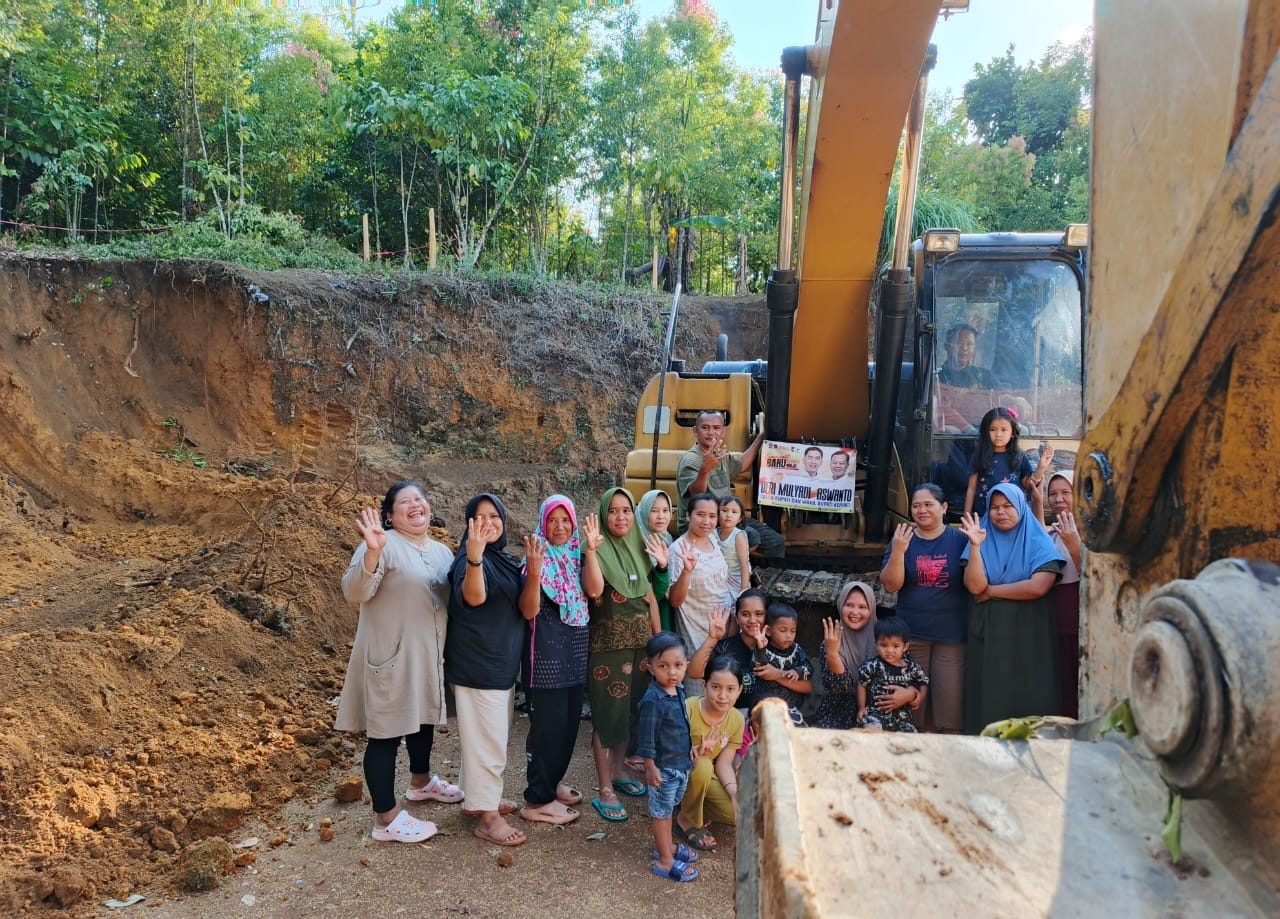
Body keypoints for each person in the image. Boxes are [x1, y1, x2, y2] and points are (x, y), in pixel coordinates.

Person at [335, 482, 459, 844]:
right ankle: (385, 819)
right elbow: (354, 592)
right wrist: (372, 552)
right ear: (389, 516)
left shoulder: (441, 551)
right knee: (386, 735)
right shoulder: (381, 544)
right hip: (389, 656)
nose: (415, 505)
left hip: (427, 655)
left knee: (422, 721)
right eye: (405, 502)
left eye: (419, 498)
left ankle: (421, 783)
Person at [517, 496, 604, 825]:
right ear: (542, 523)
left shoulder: (575, 557)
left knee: (568, 727)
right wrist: (536, 575)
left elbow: (594, 591)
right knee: (548, 729)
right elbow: (529, 611)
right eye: (552, 520)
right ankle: (536, 800)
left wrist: (592, 552)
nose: (560, 527)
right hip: (545, 659)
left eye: (565, 520)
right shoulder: (533, 559)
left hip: (573, 653)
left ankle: (551, 784)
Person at [446, 493, 527, 847]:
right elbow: (474, 597)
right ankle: (488, 818)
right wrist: (476, 558)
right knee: (489, 739)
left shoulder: (502, 559)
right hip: (479, 663)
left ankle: (476, 798)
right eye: (480, 517)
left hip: (499, 661)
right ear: (469, 524)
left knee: (486, 735)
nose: (489, 522)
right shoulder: (471, 559)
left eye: (495, 516)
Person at [959, 483, 1065, 734]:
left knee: (1029, 690)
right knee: (990, 693)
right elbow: (975, 586)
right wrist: (975, 547)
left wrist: (992, 592)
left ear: (1021, 507)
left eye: (1008, 506)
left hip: (1029, 630)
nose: (1000, 512)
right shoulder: (981, 537)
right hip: (989, 631)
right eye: (994, 507)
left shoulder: (1038, 540)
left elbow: (1039, 587)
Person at [588, 487, 662, 823]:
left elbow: (650, 598)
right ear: (604, 515)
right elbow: (594, 591)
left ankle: (619, 770)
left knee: (631, 711)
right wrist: (591, 552)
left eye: (626, 510)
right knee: (608, 714)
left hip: (641, 647)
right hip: (609, 650)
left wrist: (659, 642)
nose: (621, 517)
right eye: (614, 511)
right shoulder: (596, 549)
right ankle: (605, 787)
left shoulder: (639, 547)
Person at [879, 483, 970, 732]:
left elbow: (974, 583)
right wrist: (898, 552)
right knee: (911, 710)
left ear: (944, 507)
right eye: (916, 506)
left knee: (948, 711)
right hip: (911, 636)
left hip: (950, 636)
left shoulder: (960, 540)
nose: (922, 510)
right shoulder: (902, 538)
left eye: (928, 504)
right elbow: (890, 585)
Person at [635, 631, 699, 883]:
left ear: (686, 665)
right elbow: (646, 739)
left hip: (680, 763)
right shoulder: (653, 700)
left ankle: (667, 847)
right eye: (663, 666)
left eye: (678, 665)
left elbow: (683, 724)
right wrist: (650, 767)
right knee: (662, 813)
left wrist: (691, 747)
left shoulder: (679, 690)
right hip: (664, 768)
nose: (671, 672)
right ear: (650, 667)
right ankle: (664, 859)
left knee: (669, 809)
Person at [676, 655, 745, 852]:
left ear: (739, 690)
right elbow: (669, 749)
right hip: (679, 773)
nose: (723, 695)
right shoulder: (688, 708)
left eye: (731, 689)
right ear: (704, 686)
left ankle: (692, 805)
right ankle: (686, 819)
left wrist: (733, 790)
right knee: (703, 764)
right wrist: (695, 751)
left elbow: (723, 763)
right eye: (716, 687)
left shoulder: (737, 720)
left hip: (705, 778)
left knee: (737, 813)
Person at [674, 410, 764, 530]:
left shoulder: (720, 454)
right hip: (701, 524)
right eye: (705, 428)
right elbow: (696, 494)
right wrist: (705, 469)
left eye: (716, 428)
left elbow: (742, 465)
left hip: (725, 518)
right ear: (695, 431)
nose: (711, 433)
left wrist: (761, 436)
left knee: (774, 540)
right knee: (752, 537)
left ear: (723, 432)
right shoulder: (691, 459)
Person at [687, 588, 766, 718]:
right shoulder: (727, 648)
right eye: (745, 614)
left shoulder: (777, 645)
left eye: (759, 614)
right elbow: (694, 672)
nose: (752, 620)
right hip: (732, 718)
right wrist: (712, 638)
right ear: (737, 618)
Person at [669, 493, 730, 656]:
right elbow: (675, 601)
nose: (706, 522)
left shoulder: (713, 539)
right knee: (699, 677)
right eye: (700, 515)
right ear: (688, 516)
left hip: (724, 629)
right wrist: (687, 572)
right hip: (697, 633)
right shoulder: (678, 550)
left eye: (712, 516)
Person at [810, 581, 877, 730]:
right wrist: (833, 654)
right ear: (841, 606)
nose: (855, 612)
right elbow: (839, 688)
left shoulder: (882, 640)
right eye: (849, 605)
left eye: (862, 607)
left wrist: (911, 693)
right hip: (838, 711)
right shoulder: (832, 640)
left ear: (871, 609)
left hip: (875, 710)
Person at [964, 407, 1051, 518]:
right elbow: (971, 488)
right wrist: (966, 517)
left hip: (1014, 517)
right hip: (985, 516)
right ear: (986, 432)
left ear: (1012, 433)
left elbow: (1028, 484)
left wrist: (1040, 469)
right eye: (992, 429)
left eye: (1004, 430)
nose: (998, 434)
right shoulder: (979, 456)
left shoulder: (1019, 456)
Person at [1044, 471, 1082, 718]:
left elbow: (1094, 576)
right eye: (1053, 493)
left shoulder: (1090, 529)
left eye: (1065, 492)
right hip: (1056, 619)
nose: (1058, 499)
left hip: (1079, 621)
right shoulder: (1052, 533)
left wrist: (1073, 544)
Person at [856, 617, 930, 732]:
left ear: (905, 647)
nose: (889, 651)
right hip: (875, 714)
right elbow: (861, 684)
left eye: (896, 646)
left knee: (912, 737)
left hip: (902, 718)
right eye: (884, 645)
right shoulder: (872, 665)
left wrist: (920, 698)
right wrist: (861, 708)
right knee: (870, 732)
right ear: (876, 644)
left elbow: (923, 682)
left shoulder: (912, 668)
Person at [751, 602, 813, 725]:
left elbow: (809, 670)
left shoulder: (796, 650)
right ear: (768, 630)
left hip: (792, 708)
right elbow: (760, 668)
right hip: (766, 708)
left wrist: (798, 671)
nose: (789, 635)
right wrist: (761, 649)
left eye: (793, 631)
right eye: (783, 630)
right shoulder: (763, 649)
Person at [636, 489, 675, 632]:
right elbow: (652, 593)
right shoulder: (638, 542)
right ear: (644, 512)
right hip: (648, 616)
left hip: (669, 609)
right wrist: (662, 567)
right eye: (654, 511)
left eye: (666, 510)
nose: (661, 516)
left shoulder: (668, 539)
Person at [939, 323, 1000, 390]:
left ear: (975, 349)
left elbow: (1002, 396)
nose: (964, 348)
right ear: (947, 346)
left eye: (970, 344)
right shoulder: (937, 379)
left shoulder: (985, 377)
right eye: (959, 343)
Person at [716, 495, 751, 600]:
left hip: (735, 578)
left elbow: (744, 564)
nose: (728, 515)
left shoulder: (738, 536)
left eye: (734, 512)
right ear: (717, 513)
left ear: (740, 518)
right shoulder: (713, 534)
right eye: (724, 510)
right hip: (718, 576)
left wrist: (743, 589)